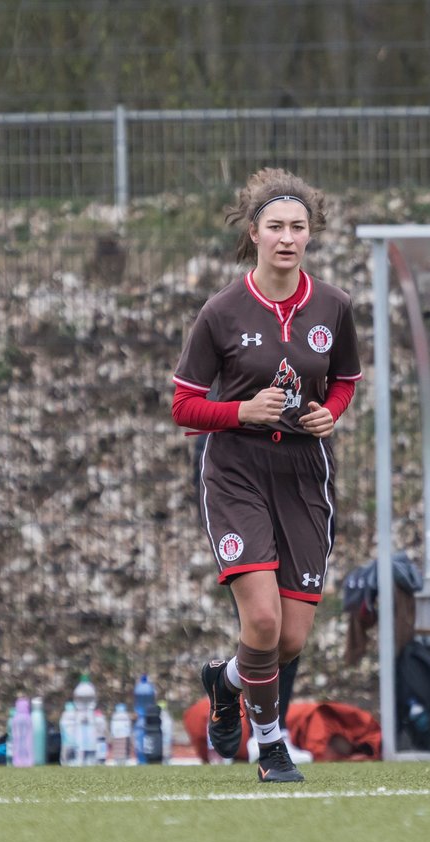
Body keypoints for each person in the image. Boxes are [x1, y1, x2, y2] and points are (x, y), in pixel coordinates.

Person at [172, 168, 361, 782]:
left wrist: (328, 415)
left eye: (298, 228)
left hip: (304, 473)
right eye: (275, 226)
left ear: (311, 236)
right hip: (236, 471)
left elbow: (345, 381)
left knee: (288, 641)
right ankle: (271, 744)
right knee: (261, 622)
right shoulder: (222, 311)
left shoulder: (334, 306)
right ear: (253, 233)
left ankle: (224, 682)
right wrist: (240, 411)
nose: (287, 237)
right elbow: (183, 404)